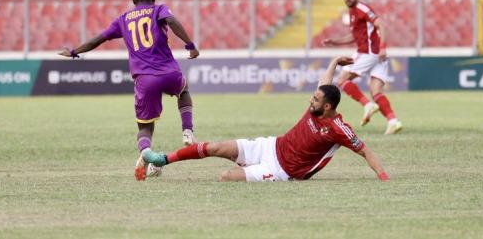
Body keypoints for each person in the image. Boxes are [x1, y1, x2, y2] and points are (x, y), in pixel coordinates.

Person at [137, 57, 390, 182]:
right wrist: (335, 61)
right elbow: (324, 82)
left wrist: (383, 178)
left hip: (280, 170)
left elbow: (366, 151)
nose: (310, 101)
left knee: (226, 177)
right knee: (213, 147)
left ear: (328, 106)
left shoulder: (338, 128)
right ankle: (163, 160)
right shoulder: (318, 105)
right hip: (270, 145)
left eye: (315, 100)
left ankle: (247, 172)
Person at [58, 0, 200, 180]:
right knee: (183, 91)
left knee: (145, 126)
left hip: (144, 78)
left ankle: (146, 152)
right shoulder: (159, 9)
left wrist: (74, 52)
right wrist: (190, 45)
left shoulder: (123, 19)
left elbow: (98, 39)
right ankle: (187, 131)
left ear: (133, 1)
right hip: (168, 72)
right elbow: (173, 21)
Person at [322, 0, 403, 135]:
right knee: (376, 91)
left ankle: (367, 105)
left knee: (342, 80)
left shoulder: (362, 9)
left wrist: (383, 46)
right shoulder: (352, 12)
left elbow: (381, 24)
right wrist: (335, 42)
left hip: (368, 53)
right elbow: (354, 36)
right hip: (376, 56)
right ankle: (393, 121)